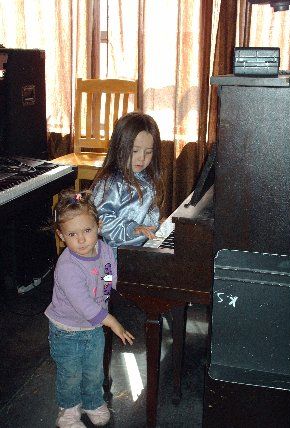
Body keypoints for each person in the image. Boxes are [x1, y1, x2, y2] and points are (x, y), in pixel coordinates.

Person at [45, 189, 134, 428]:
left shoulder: (103, 249)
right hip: (67, 331)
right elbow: (84, 305)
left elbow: (107, 275)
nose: (82, 239)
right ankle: (68, 411)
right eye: (73, 234)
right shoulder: (67, 267)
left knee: (94, 370)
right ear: (61, 236)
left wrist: (110, 288)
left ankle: (93, 402)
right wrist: (112, 321)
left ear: (99, 226)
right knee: (70, 374)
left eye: (87, 230)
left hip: (94, 325)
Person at [91, 111, 163, 259]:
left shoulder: (145, 177)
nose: (141, 158)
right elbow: (101, 220)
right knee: (109, 283)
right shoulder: (112, 183)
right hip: (117, 255)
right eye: (135, 150)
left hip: (141, 247)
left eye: (148, 152)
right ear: (119, 147)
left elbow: (147, 212)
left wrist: (157, 224)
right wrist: (132, 228)